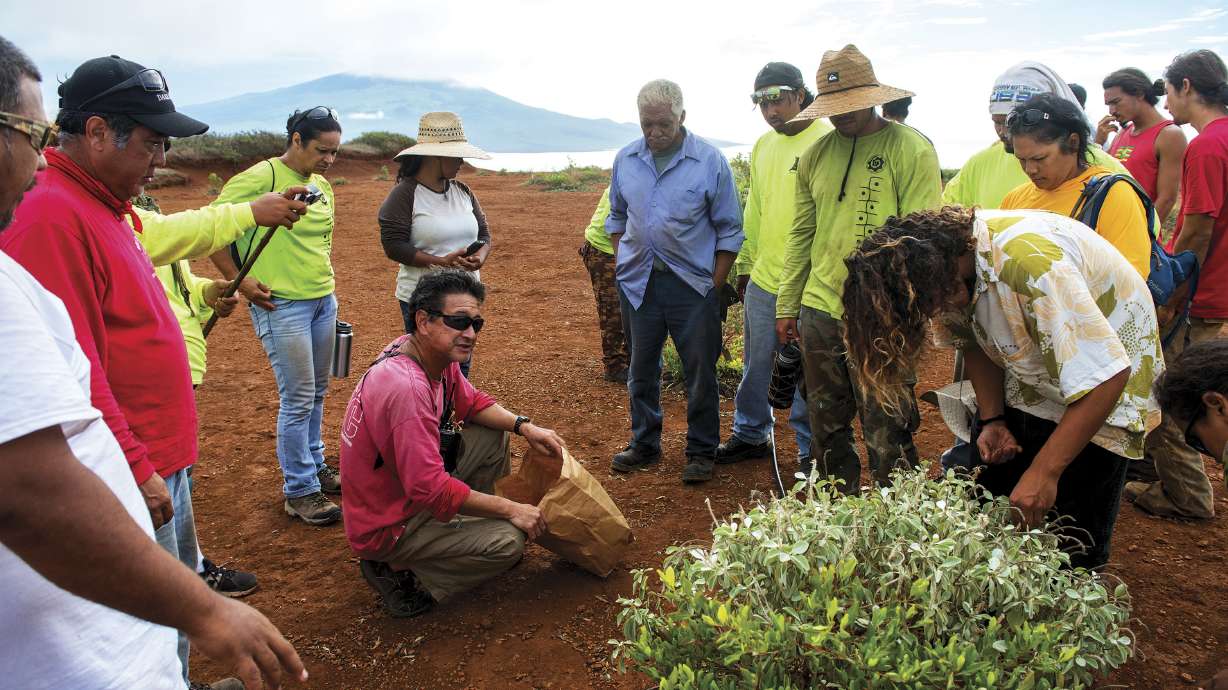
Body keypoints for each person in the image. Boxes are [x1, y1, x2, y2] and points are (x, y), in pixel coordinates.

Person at [0, 37, 306, 690]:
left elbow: (165, 261)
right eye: (151, 142)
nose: (162, 158)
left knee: (166, 610)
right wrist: (136, 464)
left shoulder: (108, 208)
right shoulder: (52, 216)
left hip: (157, 456)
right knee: (146, 610)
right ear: (97, 131)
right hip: (127, 467)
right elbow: (76, 365)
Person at [843, 206, 1161, 569]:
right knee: (999, 512)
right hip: (1037, 372)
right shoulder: (942, 272)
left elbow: (1106, 377)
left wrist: (1045, 473)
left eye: (929, 305)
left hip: (1107, 385)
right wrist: (993, 419)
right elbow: (972, 338)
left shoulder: (1031, 268)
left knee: (1069, 538)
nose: (933, 312)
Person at [340, 269, 564, 617]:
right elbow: (430, 489)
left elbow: (472, 402)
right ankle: (404, 572)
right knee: (508, 544)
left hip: (398, 492)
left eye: (477, 323)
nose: (470, 333)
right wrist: (510, 509)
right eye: (459, 321)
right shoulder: (407, 390)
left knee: (493, 435)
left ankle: (455, 531)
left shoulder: (422, 352)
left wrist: (524, 427)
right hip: (388, 525)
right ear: (424, 321)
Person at [774, 44, 941, 490]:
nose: (840, 115)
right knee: (826, 424)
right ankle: (839, 514)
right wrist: (787, 304)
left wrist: (908, 310)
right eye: (832, 107)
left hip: (883, 315)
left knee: (888, 427)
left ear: (872, 96)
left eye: (849, 105)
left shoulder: (911, 150)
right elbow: (802, 236)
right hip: (821, 308)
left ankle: (894, 522)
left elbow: (923, 241)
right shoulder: (815, 156)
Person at [209, 106, 343, 526]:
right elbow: (213, 231)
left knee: (318, 391)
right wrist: (240, 281)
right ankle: (300, 491)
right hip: (281, 304)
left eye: (335, 152)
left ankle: (315, 463)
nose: (329, 160)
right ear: (297, 140)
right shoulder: (260, 178)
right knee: (299, 396)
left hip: (322, 299)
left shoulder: (321, 186)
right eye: (322, 150)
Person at [605, 79, 744, 484]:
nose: (654, 133)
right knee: (640, 369)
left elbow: (729, 230)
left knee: (700, 371)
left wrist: (712, 286)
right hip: (638, 285)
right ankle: (644, 443)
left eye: (663, 124)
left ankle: (702, 451)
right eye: (647, 124)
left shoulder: (709, 161)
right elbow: (616, 217)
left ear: (682, 117)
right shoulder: (626, 159)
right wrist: (624, 260)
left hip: (691, 286)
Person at [1127, 49, 1228, 520]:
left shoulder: (1208, 144)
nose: (1166, 102)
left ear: (1186, 86)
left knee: (1172, 395)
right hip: (1222, 290)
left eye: (1167, 91)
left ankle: (1186, 496)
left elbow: (1198, 228)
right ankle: (1156, 471)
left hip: (1207, 292)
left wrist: (1176, 292)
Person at [719, 62, 831, 469]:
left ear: (800, 95)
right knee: (756, 363)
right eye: (761, 103)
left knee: (806, 370)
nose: (771, 112)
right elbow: (757, 210)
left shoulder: (828, 139)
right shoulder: (765, 146)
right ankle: (750, 433)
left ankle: (808, 450)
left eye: (778, 100)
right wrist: (746, 266)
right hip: (765, 281)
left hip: (811, 282)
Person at [379, 111, 492, 379]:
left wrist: (480, 257)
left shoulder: (462, 191)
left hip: (465, 298)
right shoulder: (405, 195)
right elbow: (394, 246)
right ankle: (430, 420)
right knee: (427, 369)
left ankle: (450, 419)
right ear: (433, 157)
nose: (462, 162)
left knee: (460, 367)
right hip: (424, 300)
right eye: (456, 155)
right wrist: (441, 262)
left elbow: (485, 235)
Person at [943, 61, 1131, 210]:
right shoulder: (979, 164)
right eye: (997, 122)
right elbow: (946, 211)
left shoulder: (1100, 167)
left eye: (1010, 122)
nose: (1003, 132)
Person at [1000, 94, 1150, 277]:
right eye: (1021, 160)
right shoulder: (1014, 200)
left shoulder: (1112, 195)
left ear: (1073, 143)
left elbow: (1132, 280)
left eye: (1039, 159)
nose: (1030, 170)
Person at [1096, 68, 1187, 224]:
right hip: (1112, 230)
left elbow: (1167, 199)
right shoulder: (1121, 133)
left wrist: (1143, 233)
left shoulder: (1169, 135)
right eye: (1108, 105)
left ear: (1139, 94)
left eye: (1116, 102)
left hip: (1138, 236)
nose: (1112, 111)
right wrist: (1098, 143)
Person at [578, 186, 630, 382]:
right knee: (613, 309)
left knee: (630, 307)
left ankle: (631, 360)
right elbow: (612, 227)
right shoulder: (624, 183)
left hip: (627, 250)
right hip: (605, 250)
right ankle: (615, 366)